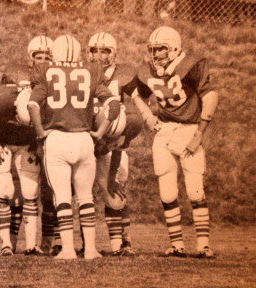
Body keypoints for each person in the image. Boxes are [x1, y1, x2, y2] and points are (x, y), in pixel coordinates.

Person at [127, 26, 218, 258]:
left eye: (161, 49)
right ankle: (177, 245)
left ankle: (203, 245)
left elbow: (211, 97)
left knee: (195, 190)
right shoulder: (148, 71)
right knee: (167, 192)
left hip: (189, 130)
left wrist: (200, 133)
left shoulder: (192, 65)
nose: (156, 54)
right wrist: (148, 117)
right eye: (153, 49)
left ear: (175, 48)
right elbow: (135, 93)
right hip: (165, 132)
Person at [28, 34, 121, 260]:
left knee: (62, 197)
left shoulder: (45, 71)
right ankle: (90, 249)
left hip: (58, 138)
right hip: (83, 139)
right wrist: (100, 132)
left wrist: (40, 132)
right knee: (86, 197)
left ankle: (68, 249)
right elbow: (114, 105)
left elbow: (32, 105)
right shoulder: (91, 70)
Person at [86, 32, 142, 256]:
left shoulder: (124, 76)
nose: (99, 55)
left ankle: (122, 242)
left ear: (114, 53)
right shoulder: (83, 74)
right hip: (89, 142)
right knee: (84, 194)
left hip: (114, 143)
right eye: (95, 50)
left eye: (105, 51)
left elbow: (135, 117)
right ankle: (86, 243)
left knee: (115, 192)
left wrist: (118, 141)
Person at [5, 36, 60, 254]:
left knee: (51, 193)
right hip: (24, 140)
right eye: (39, 56)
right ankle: (12, 242)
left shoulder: (59, 78)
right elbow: (5, 106)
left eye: (48, 57)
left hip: (50, 137)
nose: (43, 61)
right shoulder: (17, 75)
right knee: (20, 192)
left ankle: (51, 241)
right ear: (31, 57)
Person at [0, 63, 42, 256]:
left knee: (30, 191)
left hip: (26, 144)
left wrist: (37, 143)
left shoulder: (37, 99)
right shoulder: (0, 101)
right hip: (3, 142)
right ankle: (5, 244)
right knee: (6, 190)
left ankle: (31, 244)